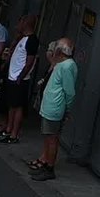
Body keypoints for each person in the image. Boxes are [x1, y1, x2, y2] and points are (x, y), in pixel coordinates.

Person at [28, 38, 78, 180]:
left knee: (52, 139)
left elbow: (70, 92)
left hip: (55, 108)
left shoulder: (67, 66)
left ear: (60, 51)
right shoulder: (60, 64)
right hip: (50, 106)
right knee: (48, 137)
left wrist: (67, 109)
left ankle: (49, 168)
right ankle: (46, 163)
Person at [0, 16, 38, 144]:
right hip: (12, 76)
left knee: (18, 106)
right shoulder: (22, 39)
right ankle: (8, 129)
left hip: (19, 78)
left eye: (20, 22)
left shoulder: (32, 40)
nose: (18, 25)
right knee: (11, 105)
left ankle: (14, 134)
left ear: (26, 24)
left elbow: (30, 61)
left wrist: (21, 76)